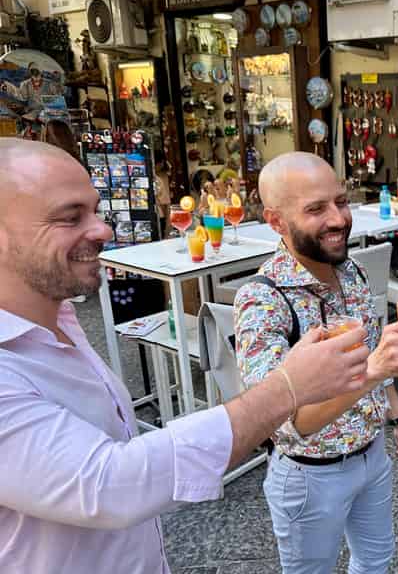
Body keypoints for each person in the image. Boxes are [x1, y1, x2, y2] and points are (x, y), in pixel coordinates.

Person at [0, 139, 377, 572]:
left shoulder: (59, 319)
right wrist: (289, 387)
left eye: (95, 211)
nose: (104, 230)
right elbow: (110, 485)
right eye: (70, 217)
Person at [234, 152, 398, 574]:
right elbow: (289, 422)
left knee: (375, 560)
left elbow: (374, 354)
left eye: (340, 202)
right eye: (315, 209)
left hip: (371, 455)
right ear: (276, 221)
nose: (339, 219)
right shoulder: (263, 300)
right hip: (310, 476)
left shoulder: (352, 271)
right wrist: (375, 369)